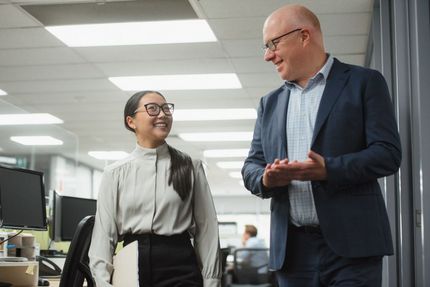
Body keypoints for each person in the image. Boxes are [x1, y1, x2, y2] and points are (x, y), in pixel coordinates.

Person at [242, 4, 401, 287]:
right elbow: (251, 167)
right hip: (292, 252)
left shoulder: (364, 82)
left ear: (304, 36)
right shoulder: (270, 103)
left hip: (353, 248)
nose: (268, 55)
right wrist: (266, 178)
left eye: (273, 44)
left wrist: (329, 169)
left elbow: (387, 154)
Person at [88, 90, 222, 287]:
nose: (162, 114)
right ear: (131, 121)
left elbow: (207, 228)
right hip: (131, 265)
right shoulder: (114, 173)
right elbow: (103, 235)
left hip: (180, 264)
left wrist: (211, 280)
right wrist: (102, 281)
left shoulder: (190, 166)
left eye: (166, 108)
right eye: (153, 109)